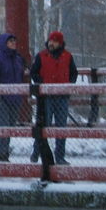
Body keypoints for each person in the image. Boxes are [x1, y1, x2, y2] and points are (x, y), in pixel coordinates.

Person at [29, 30, 78, 165]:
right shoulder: (41, 56)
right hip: (46, 96)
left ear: (60, 43)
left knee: (61, 127)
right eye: (51, 41)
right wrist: (41, 83)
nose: (51, 43)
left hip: (62, 96)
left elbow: (74, 73)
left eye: (55, 41)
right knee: (44, 125)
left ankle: (59, 156)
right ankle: (37, 152)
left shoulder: (67, 56)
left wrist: (67, 84)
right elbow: (34, 72)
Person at [0, 32, 26, 162]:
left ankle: (5, 152)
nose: (14, 43)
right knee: (3, 127)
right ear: (4, 44)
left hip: (15, 99)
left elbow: (20, 77)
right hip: (2, 99)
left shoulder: (18, 59)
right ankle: (2, 154)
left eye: (14, 41)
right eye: (10, 41)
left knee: (10, 127)